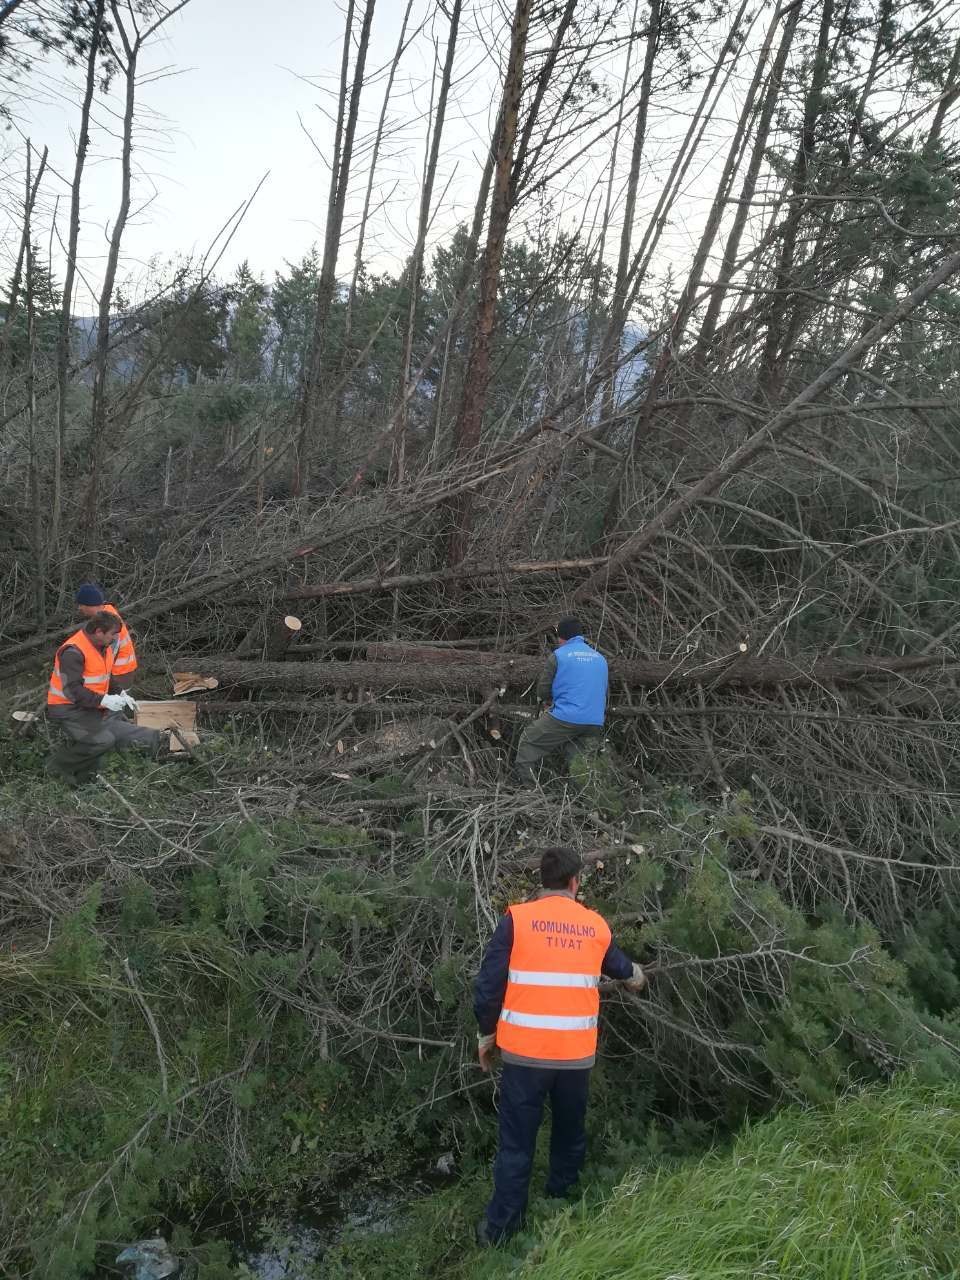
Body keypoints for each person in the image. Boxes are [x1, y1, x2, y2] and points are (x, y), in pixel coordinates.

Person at [473, 846, 645, 1246]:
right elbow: (623, 969)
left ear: (543, 882)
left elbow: (488, 988)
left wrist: (486, 1037)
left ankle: (500, 1232)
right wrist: (638, 977)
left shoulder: (517, 920)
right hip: (574, 1058)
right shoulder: (594, 926)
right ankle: (561, 1209)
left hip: (524, 1057)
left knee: (516, 1144)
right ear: (574, 882)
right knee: (569, 1136)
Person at [46, 611, 162, 786]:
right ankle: (56, 768)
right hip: (67, 709)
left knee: (110, 734)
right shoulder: (73, 652)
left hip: (88, 706)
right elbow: (72, 690)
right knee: (102, 740)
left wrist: (120, 693)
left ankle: (83, 781)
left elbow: (105, 677)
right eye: (112, 634)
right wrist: (103, 701)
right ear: (99, 631)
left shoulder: (102, 646)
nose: (115, 638)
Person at [515, 617, 608, 785]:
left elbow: (543, 690)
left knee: (529, 741)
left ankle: (530, 790)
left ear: (562, 636)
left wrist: (546, 701)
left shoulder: (559, 656)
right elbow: (602, 690)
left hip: (567, 717)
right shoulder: (600, 658)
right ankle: (584, 797)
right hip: (595, 721)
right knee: (580, 762)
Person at [75, 583, 138, 688]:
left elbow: (108, 653)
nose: (79, 608)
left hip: (118, 675)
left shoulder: (107, 622)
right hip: (119, 673)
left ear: (91, 604)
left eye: (82, 604)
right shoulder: (107, 615)